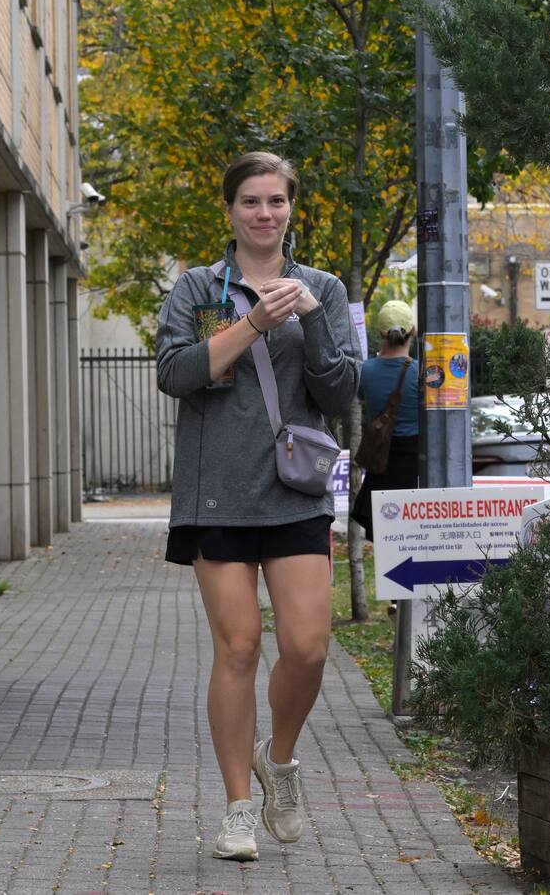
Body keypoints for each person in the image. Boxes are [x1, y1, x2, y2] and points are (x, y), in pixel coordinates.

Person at [155, 152, 362, 861]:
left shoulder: (322, 288)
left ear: (290, 208)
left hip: (295, 492)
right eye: (250, 201)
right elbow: (174, 373)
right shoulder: (198, 287)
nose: (264, 213)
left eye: (276, 200)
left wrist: (311, 320)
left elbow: (340, 392)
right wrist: (250, 324)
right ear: (230, 209)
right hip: (215, 495)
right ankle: (239, 808)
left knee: (307, 646)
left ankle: (280, 759)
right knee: (239, 647)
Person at [351, 300, 420, 541]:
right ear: (413, 331)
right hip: (414, 467)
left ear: (381, 333)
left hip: (380, 465)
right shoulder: (421, 372)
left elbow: (361, 397)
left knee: (385, 542)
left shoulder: (366, 371)